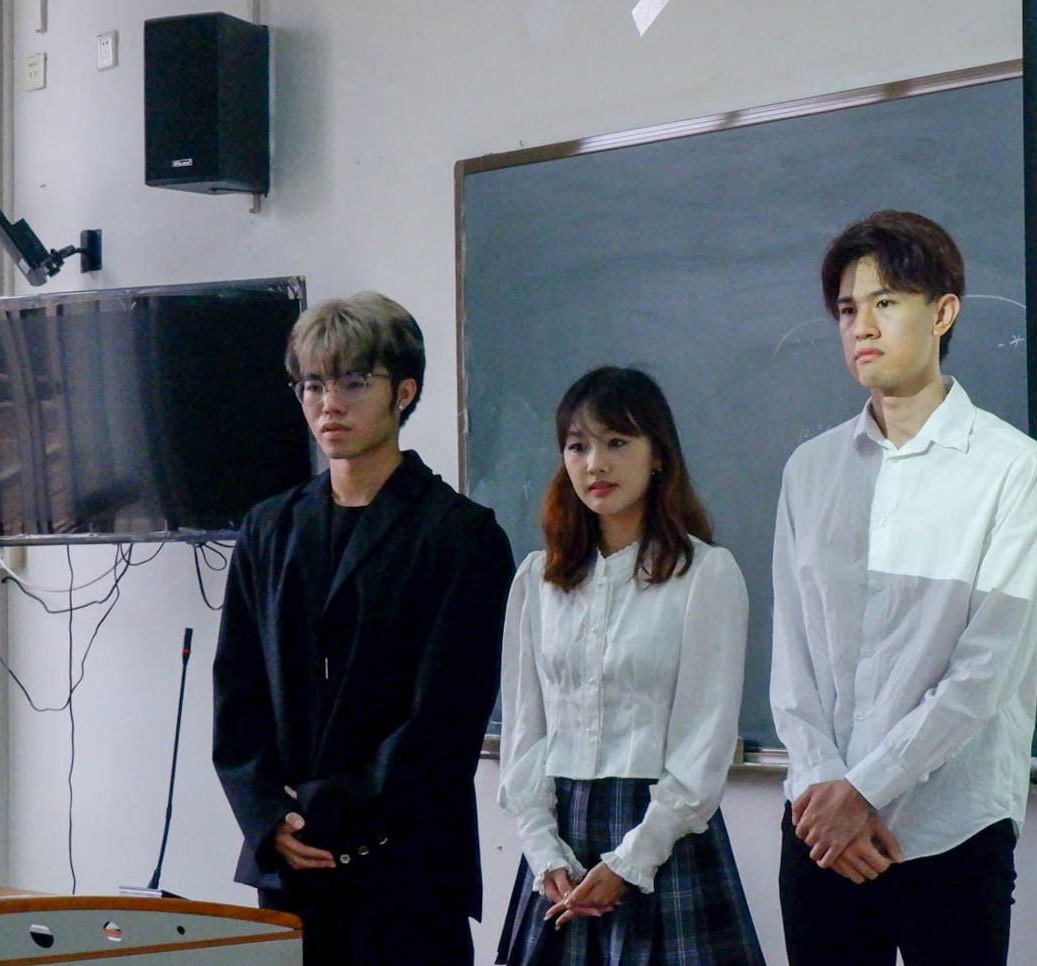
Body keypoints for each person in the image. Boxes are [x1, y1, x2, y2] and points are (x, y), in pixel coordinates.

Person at [769, 211, 1037, 966]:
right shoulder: (810, 470)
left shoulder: (1012, 469)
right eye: (846, 309)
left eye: (885, 302)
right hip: (818, 828)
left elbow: (985, 672)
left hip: (950, 831)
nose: (861, 327)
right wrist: (823, 787)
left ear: (942, 312)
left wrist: (864, 792)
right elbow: (793, 655)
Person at [212, 291, 514, 965]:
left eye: (353, 383)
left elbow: (445, 720)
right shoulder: (269, 528)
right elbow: (237, 693)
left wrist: (319, 809)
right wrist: (268, 817)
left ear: (404, 392)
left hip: (407, 873)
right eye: (312, 385)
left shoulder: (461, 536)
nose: (329, 404)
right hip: (287, 872)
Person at [495, 366, 765, 966]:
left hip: (663, 839)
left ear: (658, 455)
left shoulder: (704, 574)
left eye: (617, 442)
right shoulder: (539, 579)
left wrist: (632, 860)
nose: (596, 464)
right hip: (560, 847)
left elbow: (704, 740)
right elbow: (524, 731)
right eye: (578, 446)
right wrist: (543, 851)